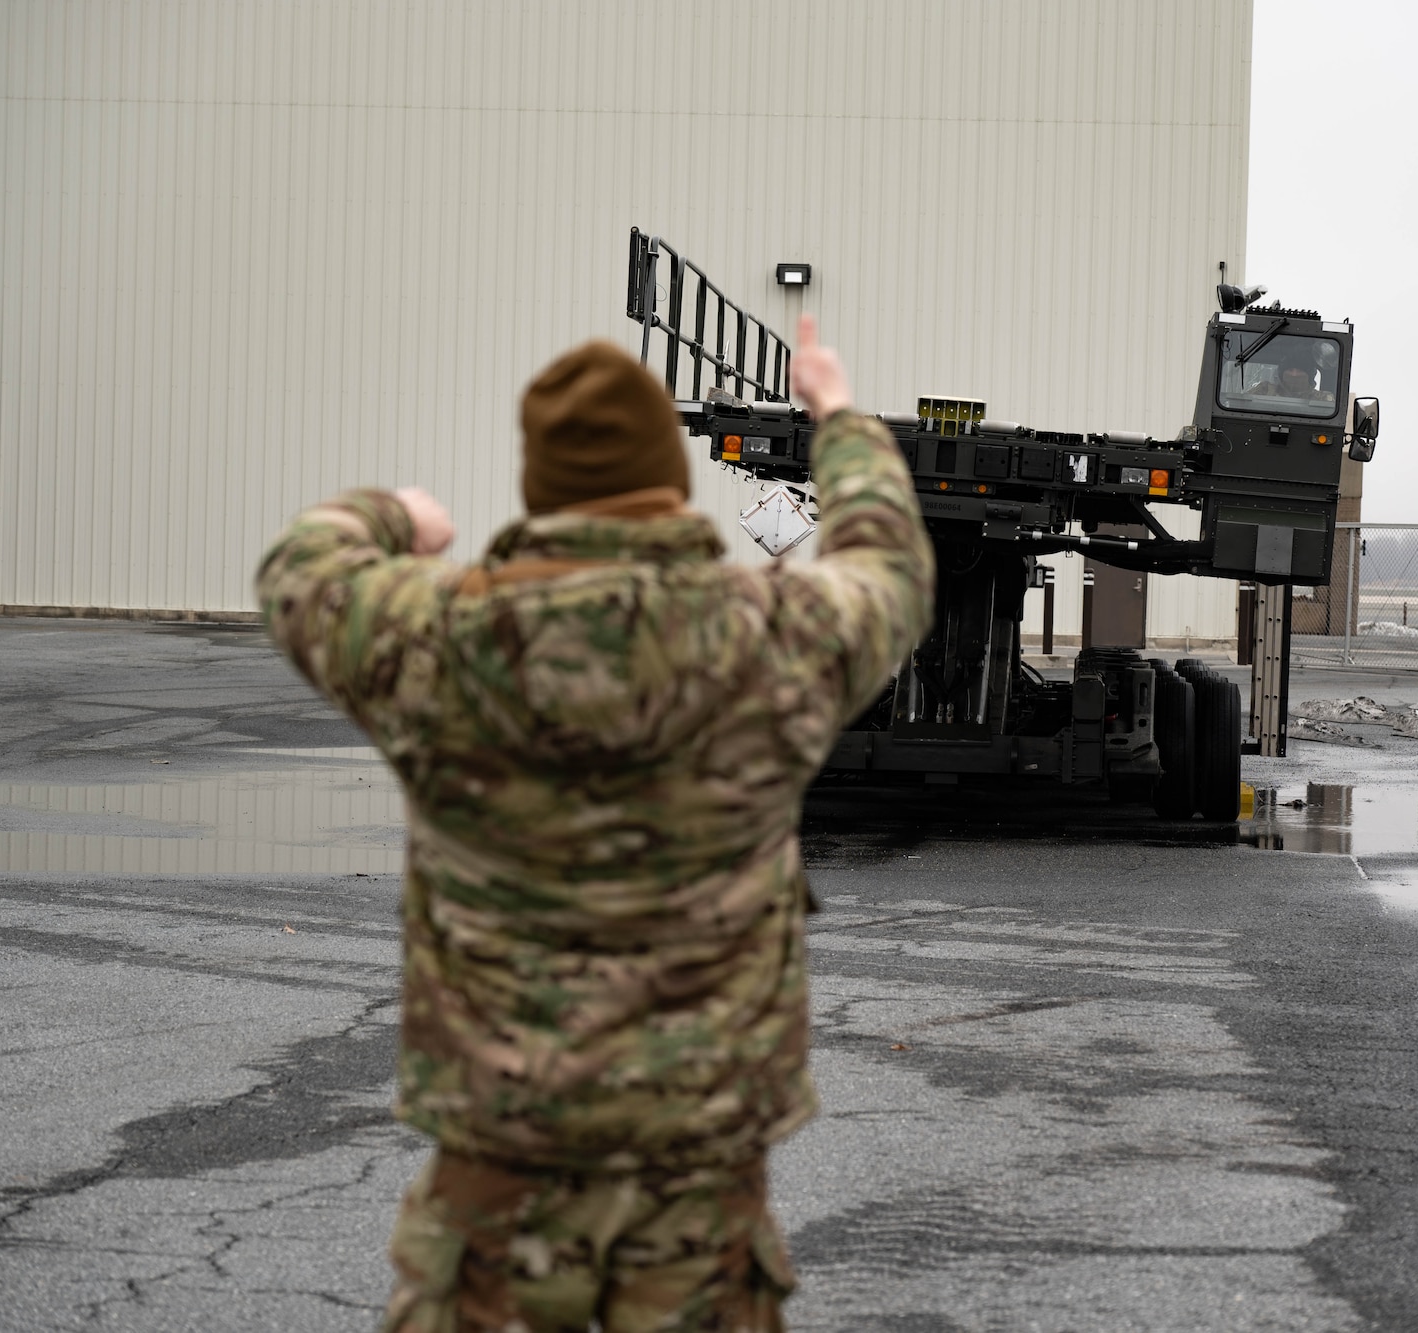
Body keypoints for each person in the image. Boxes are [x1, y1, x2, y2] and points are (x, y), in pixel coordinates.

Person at [256, 316, 934, 1331]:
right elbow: (889, 565)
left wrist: (395, 515)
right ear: (667, 481)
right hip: (695, 1178)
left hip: (497, 1166)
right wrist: (835, 416)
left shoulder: (436, 639)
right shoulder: (771, 639)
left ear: (541, 485)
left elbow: (299, 569)